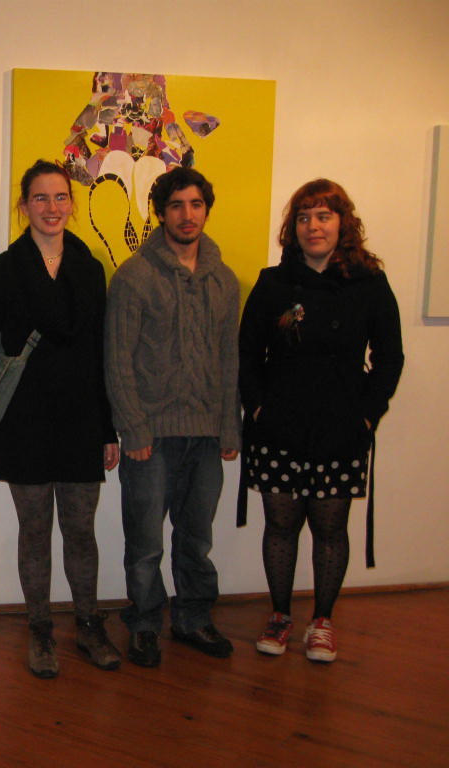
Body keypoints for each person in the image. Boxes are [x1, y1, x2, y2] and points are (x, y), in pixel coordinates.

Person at [0, 159, 121, 679]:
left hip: (80, 422)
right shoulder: (0, 270)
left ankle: (89, 625)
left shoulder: (90, 269)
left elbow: (100, 355)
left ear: (72, 203)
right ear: (24, 206)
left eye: (61, 197)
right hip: (22, 423)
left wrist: (108, 428)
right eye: (41, 198)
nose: (52, 207)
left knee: (81, 532)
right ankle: (41, 631)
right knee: (34, 533)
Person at [237, 179, 403, 663]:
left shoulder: (369, 284)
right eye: (304, 217)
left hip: (341, 427)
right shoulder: (273, 283)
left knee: (331, 529)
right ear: (294, 227)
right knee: (281, 525)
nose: (313, 226)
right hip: (279, 425)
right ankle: (280, 615)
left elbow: (389, 358)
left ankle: (323, 621)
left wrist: (368, 416)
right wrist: (257, 407)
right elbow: (247, 353)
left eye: (324, 216)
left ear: (342, 223)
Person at [104, 166, 241, 667]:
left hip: (206, 436)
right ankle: (144, 624)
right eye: (177, 205)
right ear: (161, 213)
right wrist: (134, 428)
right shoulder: (134, 277)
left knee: (197, 539)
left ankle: (193, 619)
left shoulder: (225, 281)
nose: (187, 215)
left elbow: (229, 360)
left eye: (196, 204)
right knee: (145, 544)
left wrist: (229, 425)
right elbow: (117, 360)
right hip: (152, 438)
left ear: (206, 210)